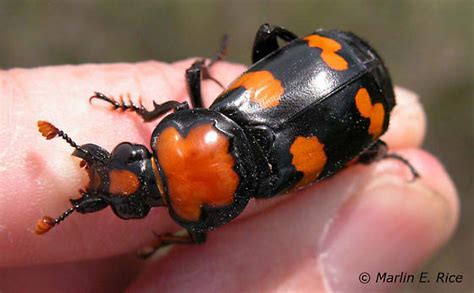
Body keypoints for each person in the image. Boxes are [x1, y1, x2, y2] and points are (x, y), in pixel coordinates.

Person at [0, 59, 458, 292]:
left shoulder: (264, 184)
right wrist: (137, 110)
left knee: (342, 165)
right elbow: (187, 95)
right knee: (237, 55)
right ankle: (373, 155)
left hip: (346, 75)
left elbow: (196, 235)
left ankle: (372, 155)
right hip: (340, 64)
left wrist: (162, 242)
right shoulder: (203, 117)